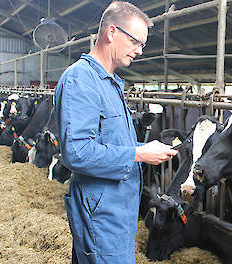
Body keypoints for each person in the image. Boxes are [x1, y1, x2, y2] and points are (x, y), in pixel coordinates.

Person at [54, 2, 177, 263]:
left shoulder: (109, 83)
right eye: (135, 42)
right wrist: (139, 154)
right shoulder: (81, 80)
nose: (140, 51)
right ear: (112, 32)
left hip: (116, 211)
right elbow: (77, 152)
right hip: (101, 214)